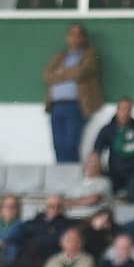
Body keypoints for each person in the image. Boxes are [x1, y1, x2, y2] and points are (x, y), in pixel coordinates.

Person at [42, 23, 101, 164]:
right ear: (67, 38)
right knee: (58, 145)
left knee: (71, 144)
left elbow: (82, 72)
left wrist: (61, 73)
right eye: (71, 35)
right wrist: (70, 73)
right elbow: (47, 75)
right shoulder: (61, 56)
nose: (74, 38)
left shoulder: (89, 54)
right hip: (56, 105)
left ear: (83, 38)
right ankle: (61, 174)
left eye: (78, 35)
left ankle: (72, 175)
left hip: (75, 105)